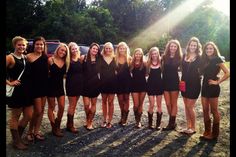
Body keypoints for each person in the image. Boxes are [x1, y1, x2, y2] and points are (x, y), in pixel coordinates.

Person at [6, 36, 32, 149]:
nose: (21, 46)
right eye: (19, 44)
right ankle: (16, 141)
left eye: (23, 45)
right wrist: (9, 82)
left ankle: (18, 138)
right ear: (14, 45)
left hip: (27, 91)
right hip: (16, 92)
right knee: (15, 116)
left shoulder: (25, 57)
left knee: (28, 115)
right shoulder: (9, 57)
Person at [200, 41, 230, 140]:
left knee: (214, 110)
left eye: (211, 48)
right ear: (205, 50)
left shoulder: (217, 59)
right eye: (207, 48)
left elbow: (227, 72)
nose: (209, 50)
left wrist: (217, 82)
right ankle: (207, 131)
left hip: (213, 87)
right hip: (204, 86)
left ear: (214, 49)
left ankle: (215, 134)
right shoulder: (204, 59)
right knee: (205, 110)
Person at [26, 36, 48, 141]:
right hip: (34, 87)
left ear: (44, 46)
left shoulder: (45, 57)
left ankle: (36, 131)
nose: (39, 46)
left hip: (44, 86)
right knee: (37, 111)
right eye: (37, 44)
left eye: (41, 44)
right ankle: (29, 132)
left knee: (42, 110)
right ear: (34, 45)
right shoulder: (28, 57)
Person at [180, 37, 202, 135]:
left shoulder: (200, 57)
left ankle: (193, 127)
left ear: (197, 47)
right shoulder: (184, 55)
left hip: (195, 84)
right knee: (186, 106)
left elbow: (208, 67)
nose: (193, 47)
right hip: (184, 83)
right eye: (191, 45)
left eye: (195, 45)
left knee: (190, 106)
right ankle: (188, 126)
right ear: (188, 45)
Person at [47, 43, 70, 137]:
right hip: (50, 86)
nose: (63, 52)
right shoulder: (50, 60)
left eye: (65, 51)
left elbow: (66, 75)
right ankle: (54, 128)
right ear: (57, 50)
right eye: (62, 50)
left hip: (60, 87)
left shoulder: (66, 62)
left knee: (61, 107)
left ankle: (57, 125)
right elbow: (46, 73)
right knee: (51, 107)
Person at [162, 39, 182, 131]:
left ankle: (171, 123)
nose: (173, 48)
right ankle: (172, 122)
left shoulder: (180, 57)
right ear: (168, 47)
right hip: (165, 81)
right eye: (171, 46)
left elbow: (186, 69)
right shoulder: (164, 57)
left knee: (174, 103)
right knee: (168, 103)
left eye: (175, 46)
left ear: (177, 48)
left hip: (174, 82)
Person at [65, 42, 84, 133]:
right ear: (70, 50)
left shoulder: (80, 59)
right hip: (71, 84)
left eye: (76, 48)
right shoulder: (68, 60)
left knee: (74, 105)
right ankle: (70, 125)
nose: (75, 50)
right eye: (73, 49)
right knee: (72, 105)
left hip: (79, 84)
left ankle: (69, 123)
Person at [82, 43, 101, 130]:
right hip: (85, 83)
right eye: (94, 48)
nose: (95, 50)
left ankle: (90, 122)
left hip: (95, 84)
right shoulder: (83, 58)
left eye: (97, 49)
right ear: (90, 49)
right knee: (86, 105)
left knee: (93, 104)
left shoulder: (99, 59)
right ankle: (87, 119)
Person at [99, 42, 117, 128]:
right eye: (106, 48)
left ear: (112, 49)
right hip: (103, 83)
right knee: (104, 101)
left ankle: (110, 121)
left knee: (110, 102)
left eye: (110, 48)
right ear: (104, 49)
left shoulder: (115, 58)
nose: (108, 50)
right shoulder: (100, 58)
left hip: (113, 83)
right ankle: (104, 120)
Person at [146, 47, 163, 130]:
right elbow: (145, 74)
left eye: (156, 53)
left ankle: (158, 124)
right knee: (152, 104)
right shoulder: (148, 63)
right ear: (150, 55)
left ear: (158, 53)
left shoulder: (161, 62)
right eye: (152, 54)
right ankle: (150, 123)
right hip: (150, 85)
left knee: (159, 105)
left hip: (159, 85)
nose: (154, 55)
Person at [115, 42, 132, 126]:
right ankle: (122, 115)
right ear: (118, 49)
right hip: (118, 82)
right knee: (120, 99)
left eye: (123, 48)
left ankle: (124, 118)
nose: (122, 50)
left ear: (126, 49)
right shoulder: (115, 59)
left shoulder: (129, 59)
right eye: (120, 48)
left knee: (126, 99)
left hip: (127, 81)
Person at [130, 48, 147, 128]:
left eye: (140, 54)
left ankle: (138, 121)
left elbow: (148, 73)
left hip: (143, 86)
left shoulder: (145, 63)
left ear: (142, 55)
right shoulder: (131, 63)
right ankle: (136, 117)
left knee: (140, 104)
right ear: (134, 54)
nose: (138, 55)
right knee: (136, 104)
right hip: (134, 86)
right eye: (137, 54)